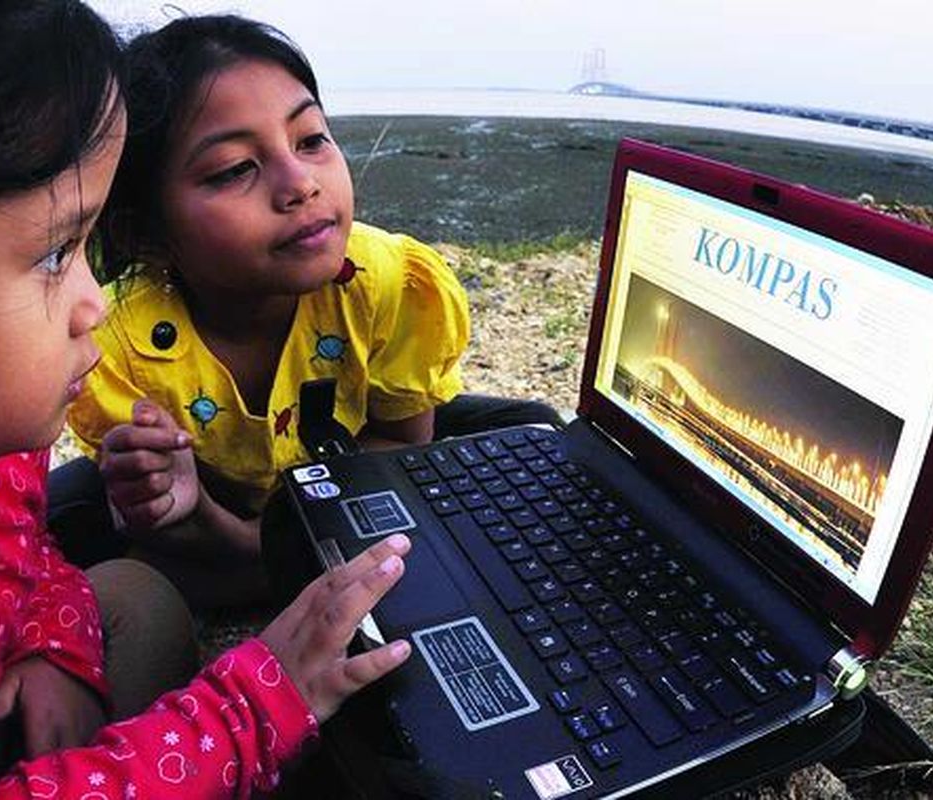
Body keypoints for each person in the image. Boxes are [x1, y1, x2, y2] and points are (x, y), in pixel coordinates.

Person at [0, 2, 411, 796]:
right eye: (52, 255)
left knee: (134, 599)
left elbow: (24, 557)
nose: (97, 304)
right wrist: (261, 701)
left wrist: (55, 647)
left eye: (312, 137)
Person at [61, 14, 561, 607]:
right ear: (143, 232)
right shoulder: (115, 348)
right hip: (214, 511)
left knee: (537, 431)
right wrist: (170, 504)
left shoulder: (390, 283)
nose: (300, 183)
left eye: (311, 140)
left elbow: (400, 446)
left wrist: (254, 549)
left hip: (347, 471)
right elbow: (166, 522)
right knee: (87, 535)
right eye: (234, 169)